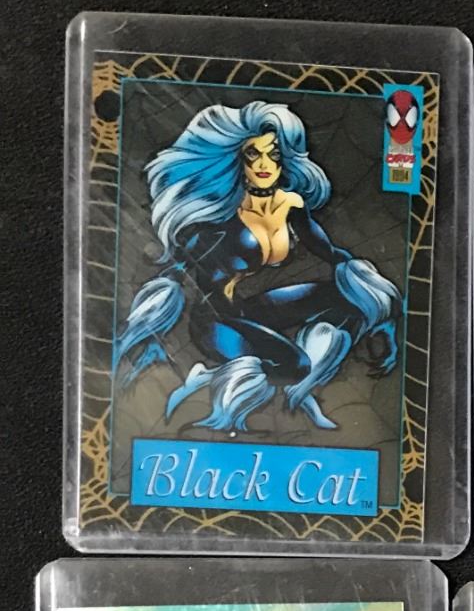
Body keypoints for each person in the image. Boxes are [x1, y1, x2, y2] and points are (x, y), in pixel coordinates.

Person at [114, 101, 401, 432]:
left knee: (343, 296)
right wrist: (148, 330)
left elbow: (331, 253)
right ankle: (210, 381)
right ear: (239, 161)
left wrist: (383, 309)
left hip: (249, 310)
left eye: (273, 155)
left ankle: (309, 364)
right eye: (253, 155)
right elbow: (177, 271)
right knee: (294, 365)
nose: (264, 164)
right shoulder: (219, 215)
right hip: (215, 322)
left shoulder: (291, 204)